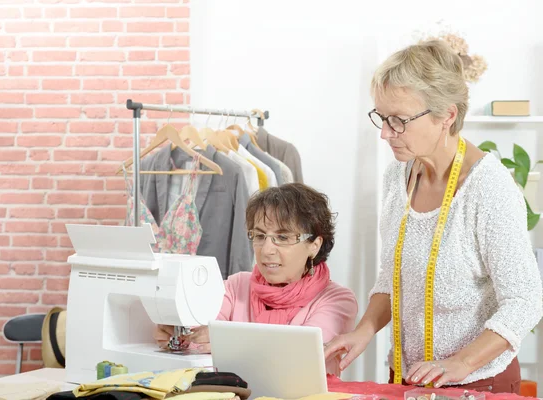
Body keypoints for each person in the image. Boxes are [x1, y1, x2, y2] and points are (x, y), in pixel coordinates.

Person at [325, 40, 542, 394]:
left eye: (399, 121)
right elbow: (392, 275)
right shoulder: (399, 177)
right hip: (413, 380)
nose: (385, 133)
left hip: (479, 383)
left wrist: (462, 362)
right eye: (381, 117)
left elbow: (525, 301)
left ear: (448, 116)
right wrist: (363, 331)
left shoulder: (488, 189)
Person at [155, 183, 358, 374]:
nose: (267, 250)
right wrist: (179, 337)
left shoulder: (337, 300)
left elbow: (299, 356)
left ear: (314, 244)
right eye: (260, 236)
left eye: (283, 237)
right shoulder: (236, 286)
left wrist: (225, 340)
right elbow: (200, 335)